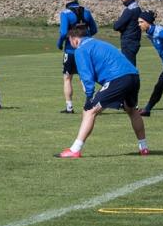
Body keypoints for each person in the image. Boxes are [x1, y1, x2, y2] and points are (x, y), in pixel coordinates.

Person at [56, 26, 147, 158]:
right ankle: (143, 147)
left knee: (89, 111)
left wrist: (89, 97)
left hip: (118, 78)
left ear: (74, 39)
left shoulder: (81, 49)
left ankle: (75, 149)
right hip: (133, 76)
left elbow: (87, 76)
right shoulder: (98, 42)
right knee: (131, 110)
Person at [57, 0, 98, 114]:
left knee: (67, 78)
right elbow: (94, 29)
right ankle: (91, 103)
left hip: (70, 50)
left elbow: (64, 32)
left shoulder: (65, 13)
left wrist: (59, 43)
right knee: (84, 76)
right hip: (85, 49)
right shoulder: (86, 12)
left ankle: (69, 107)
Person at [112, 0, 142, 65]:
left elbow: (116, 26)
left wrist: (120, 25)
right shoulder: (138, 8)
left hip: (128, 42)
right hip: (135, 41)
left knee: (129, 67)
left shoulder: (129, 10)